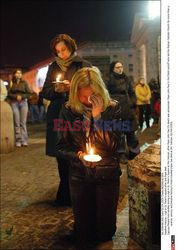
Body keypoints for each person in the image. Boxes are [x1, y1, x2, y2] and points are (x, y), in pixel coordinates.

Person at [56, 67, 137, 247]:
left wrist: (98, 117)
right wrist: (78, 155)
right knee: (83, 232)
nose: (87, 101)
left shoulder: (113, 108)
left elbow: (114, 146)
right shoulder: (68, 110)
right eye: (83, 97)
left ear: (100, 91)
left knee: (105, 233)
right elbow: (60, 146)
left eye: (92, 96)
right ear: (75, 93)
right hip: (79, 174)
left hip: (106, 174)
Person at [40, 34, 91, 206]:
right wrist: (57, 89)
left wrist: (73, 88)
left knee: (77, 153)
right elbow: (45, 92)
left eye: (64, 49)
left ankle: (79, 192)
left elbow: (92, 90)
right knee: (61, 155)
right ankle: (64, 193)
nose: (61, 54)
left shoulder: (83, 65)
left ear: (71, 47)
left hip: (77, 114)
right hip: (57, 115)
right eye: (58, 51)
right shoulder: (53, 66)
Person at [107, 61, 139, 160]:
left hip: (128, 109)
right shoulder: (109, 79)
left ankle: (134, 152)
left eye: (121, 67)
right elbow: (105, 93)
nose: (120, 69)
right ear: (113, 69)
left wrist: (133, 102)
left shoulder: (126, 79)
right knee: (118, 133)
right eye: (117, 67)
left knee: (131, 133)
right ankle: (121, 154)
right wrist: (111, 103)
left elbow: (132, 92)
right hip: (116, 109)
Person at [8, 69, 32, 147]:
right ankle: (18, 140)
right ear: (14, 74)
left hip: (23, 103)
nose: (19, 74)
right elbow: (8, 94)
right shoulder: (12, 83)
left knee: (23, 123)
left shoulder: (24, 83)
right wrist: (16, 96)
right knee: (16, 123)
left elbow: (29, 93)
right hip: (14, 103)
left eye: (20, 73)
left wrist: (21, 96)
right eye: (17, 73)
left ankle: (24, 140)